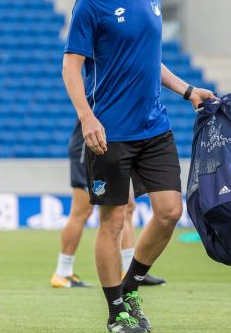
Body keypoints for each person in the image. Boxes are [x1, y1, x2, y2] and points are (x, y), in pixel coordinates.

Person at [63, 0, 213, 333]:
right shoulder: (90, 4)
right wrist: (87, 117)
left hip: (155, 127)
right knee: (113, 222)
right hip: (110, 133)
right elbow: (71, 67)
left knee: (170, 212)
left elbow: (151, 60)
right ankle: (117, 311)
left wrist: (188, 91)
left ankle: (129, 288)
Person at [51, 121, 166, 288]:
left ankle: (129, 269)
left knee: (128, 207)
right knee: (81, 211)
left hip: (111, 146)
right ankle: (62, 272)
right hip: (89, 146)